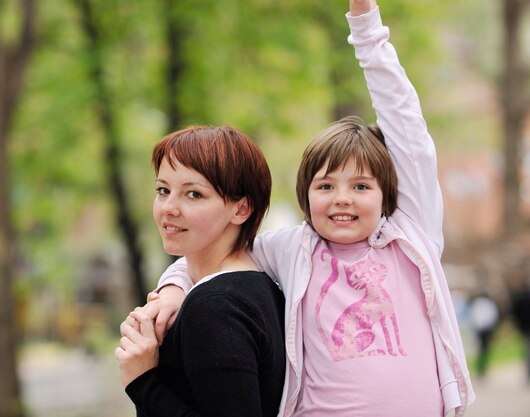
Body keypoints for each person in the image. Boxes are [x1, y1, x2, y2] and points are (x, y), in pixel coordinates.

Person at [147, 1, 476, 416]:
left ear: (386, 195)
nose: (342, 198)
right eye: (325, 185)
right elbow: (212, 253)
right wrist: (172, 289)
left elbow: (407, 126)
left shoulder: (411, 238)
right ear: (306, 196)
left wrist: (366, 25)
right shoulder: (291, 249)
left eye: (360, 186)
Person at [114, 125, 286, 417]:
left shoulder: (215, 306)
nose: (169, 207)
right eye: (163, 190)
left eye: (193, 194)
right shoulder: (260, 287)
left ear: (241, 209)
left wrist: (143, 381)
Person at [467, 292, 500, 377]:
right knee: (484, 349)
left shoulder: (477, 304)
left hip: (479, 329)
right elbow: (493, 316)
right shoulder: (488, 304)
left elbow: (472, 316)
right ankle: (482, 367)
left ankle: (481, 367)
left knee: (481, 349)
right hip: (486, 329)